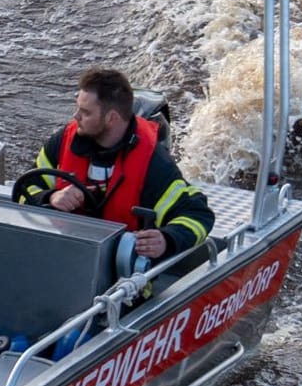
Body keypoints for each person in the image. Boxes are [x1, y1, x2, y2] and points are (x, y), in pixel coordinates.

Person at [22, 66, 214, 260]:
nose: (75, 116)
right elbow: (25, 188)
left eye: (85, 112)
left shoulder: (154, 164)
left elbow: (198, 215)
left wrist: (167, 240)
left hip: (120, 281)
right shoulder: (64, 141)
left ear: (111, 118)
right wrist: (50, 197)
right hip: (61, 259)